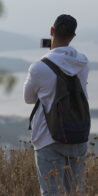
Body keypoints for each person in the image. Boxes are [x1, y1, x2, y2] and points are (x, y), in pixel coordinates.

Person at [23, 14, 89, 195]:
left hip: (48, 138)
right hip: (78, 135)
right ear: (73, 36)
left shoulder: (39, 67)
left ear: (51, 31)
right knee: (76, 191)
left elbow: (28, 98)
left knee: (52, 192)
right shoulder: (83, 62)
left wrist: (46, 56)